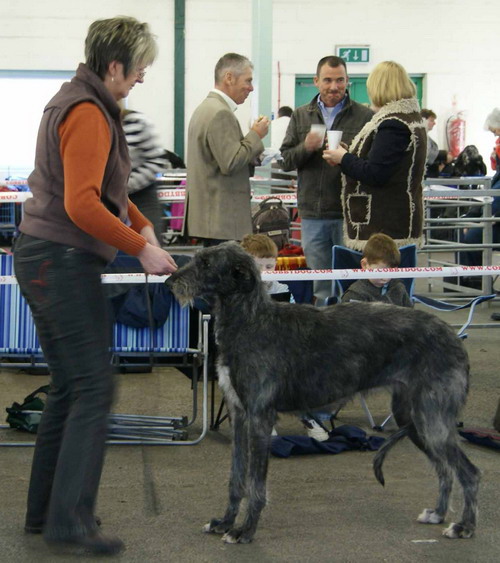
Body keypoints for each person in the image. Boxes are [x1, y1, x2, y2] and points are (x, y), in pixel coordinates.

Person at [13, 16, 177, 555]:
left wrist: (141, 221)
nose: (141, 79)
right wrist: (141, 247)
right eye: (139, 69)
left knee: (70, 386)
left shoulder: (83, 101)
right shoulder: (87, 112)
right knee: (93, 387)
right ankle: (71, 521)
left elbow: (99, 186)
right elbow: (81, 204)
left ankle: (46, 513)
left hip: (44, 256)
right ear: (114, 66)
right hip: (59, 260)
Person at [280, 56, 373, 304]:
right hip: (312, 213)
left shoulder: (364, 116)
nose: (334, 86)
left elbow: (371, 163)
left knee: (352, 279)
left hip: (350, 213)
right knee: (320, 283)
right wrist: (306, 147)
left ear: (347, 81)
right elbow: (286, 161)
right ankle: (324, 333)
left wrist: (347, 156)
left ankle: (352, 332)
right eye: (328, 80)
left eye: (340, 80)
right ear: (316, 81)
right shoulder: (300, 116)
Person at [323, 60, 427, 251]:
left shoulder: (392, 124)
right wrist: (346, 154)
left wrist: (344, 158)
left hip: (384, 224)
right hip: (398, 220)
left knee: (381, 280)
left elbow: (376, 173)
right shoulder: (410, 119)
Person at [240, 234, 329, 440]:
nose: (264, 273)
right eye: (258, 267)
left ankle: (309, 416)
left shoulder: (282, 289)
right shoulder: (236, 293)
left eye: (269, 267)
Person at [184, 53, 270, 246]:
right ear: (229, 78)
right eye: (247, 81)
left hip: (209, 219)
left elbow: (218, 158)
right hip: (221, 220)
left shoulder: (205, 109)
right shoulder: (221, 113)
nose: (251, 88)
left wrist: (252, 154)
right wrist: (255, 134)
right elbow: (230, 163)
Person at [122, 108, 171, 241]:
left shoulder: (137, 121)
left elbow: (158, 160)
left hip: (143, 197)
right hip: (113, 198)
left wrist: (127, 184)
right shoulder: (101, 123)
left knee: (150, 245)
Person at [341, 233, 413, 307]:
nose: (385, 278)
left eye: (392, 271)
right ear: (365, 265)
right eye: (380, 271)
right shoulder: (354, 295)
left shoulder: (399, 288)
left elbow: (411, 315)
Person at [421, 108, 453, 178]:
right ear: (423, 120)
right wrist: (444, 155)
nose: (434, 123)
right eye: (431, 120)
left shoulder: (424, 136)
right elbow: (427, 154)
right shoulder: (420, 137)